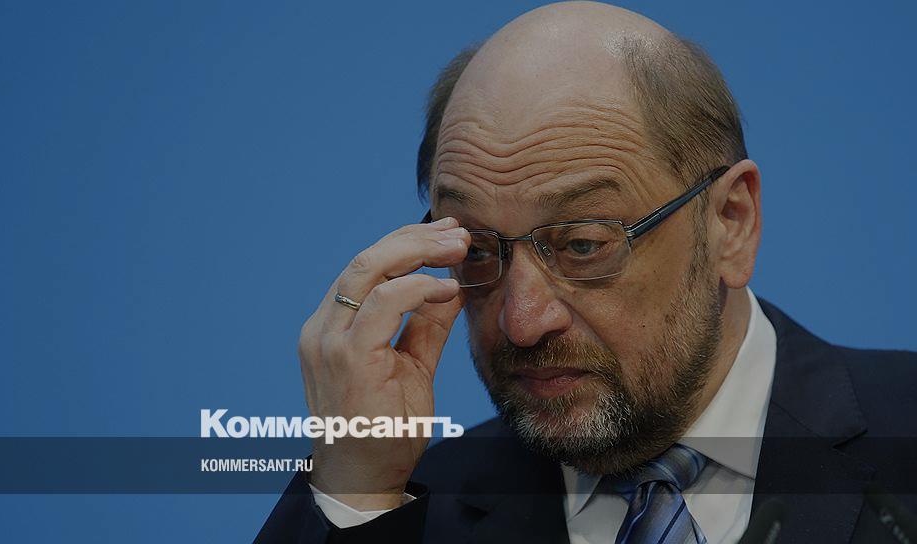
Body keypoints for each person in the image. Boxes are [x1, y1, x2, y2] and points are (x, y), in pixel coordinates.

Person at [255, 2, 917, 542]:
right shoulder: (400, 514)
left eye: (581, 245)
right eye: (478, 249)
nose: (522, 322)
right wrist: (355, 490)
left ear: (730, 222)